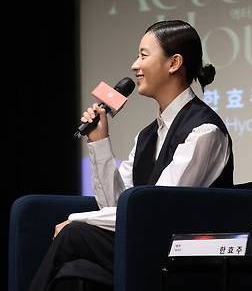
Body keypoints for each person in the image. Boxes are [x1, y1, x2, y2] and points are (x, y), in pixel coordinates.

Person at [29, 20, 234, 291]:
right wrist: (99, 141)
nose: (134, 66)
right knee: (74, 272)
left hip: (182, 256)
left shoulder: (204, 131)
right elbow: (115, 206)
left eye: (143, 55)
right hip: (145, 244)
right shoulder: (147, 136)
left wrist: (78, 218)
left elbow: (155, 210)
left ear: (174, 63)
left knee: (74, 235)